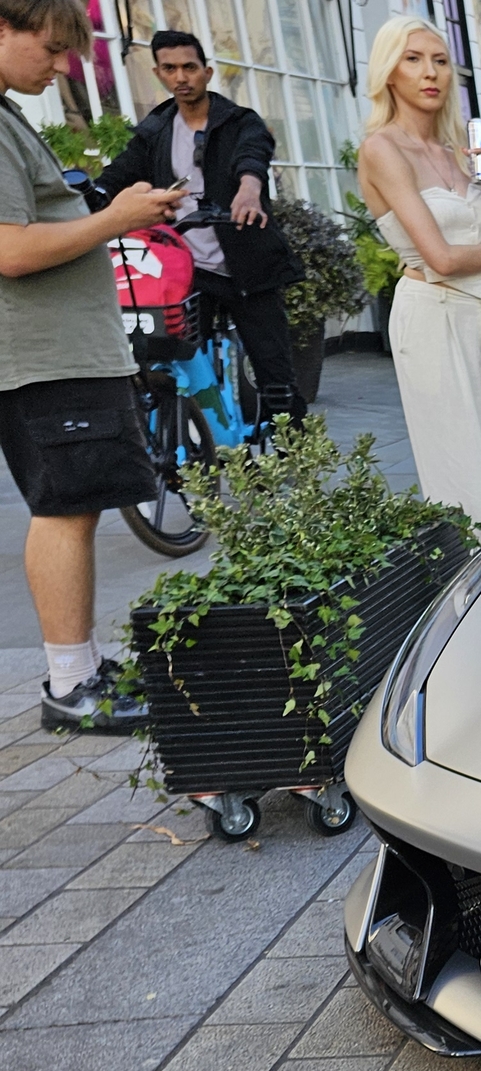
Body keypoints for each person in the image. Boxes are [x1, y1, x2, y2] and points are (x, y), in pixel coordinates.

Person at [0, 0, 183, 730]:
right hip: (44, 356)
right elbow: (10, 250)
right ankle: (72, 686)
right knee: (66, 507)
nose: (61, 66)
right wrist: (115, 219)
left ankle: (81, 666)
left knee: (78, 503)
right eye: (49, 49)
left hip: (59, 352)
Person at [356, 16, 481, 536]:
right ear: (389, 73)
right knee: (461, 474)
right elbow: (439, 258)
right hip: (433, 317)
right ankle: (469, 602)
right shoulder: (382, 149)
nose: (429, 72)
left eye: (439, 60)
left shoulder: (464, 151)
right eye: (413, 59)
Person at [95, 29, 305, 424]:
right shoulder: (155, 130)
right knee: (179, 365)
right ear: (158, 73)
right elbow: (120, 172)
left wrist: (248, 190)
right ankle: (207, 445)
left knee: (274, 372)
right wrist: (94, 198)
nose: (181, 77)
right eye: (170, 69)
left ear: (207, 72)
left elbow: (253, 155)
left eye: (189, 67)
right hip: (186, 271)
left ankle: (292, 455)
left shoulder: (240, 121)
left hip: (247, 266)